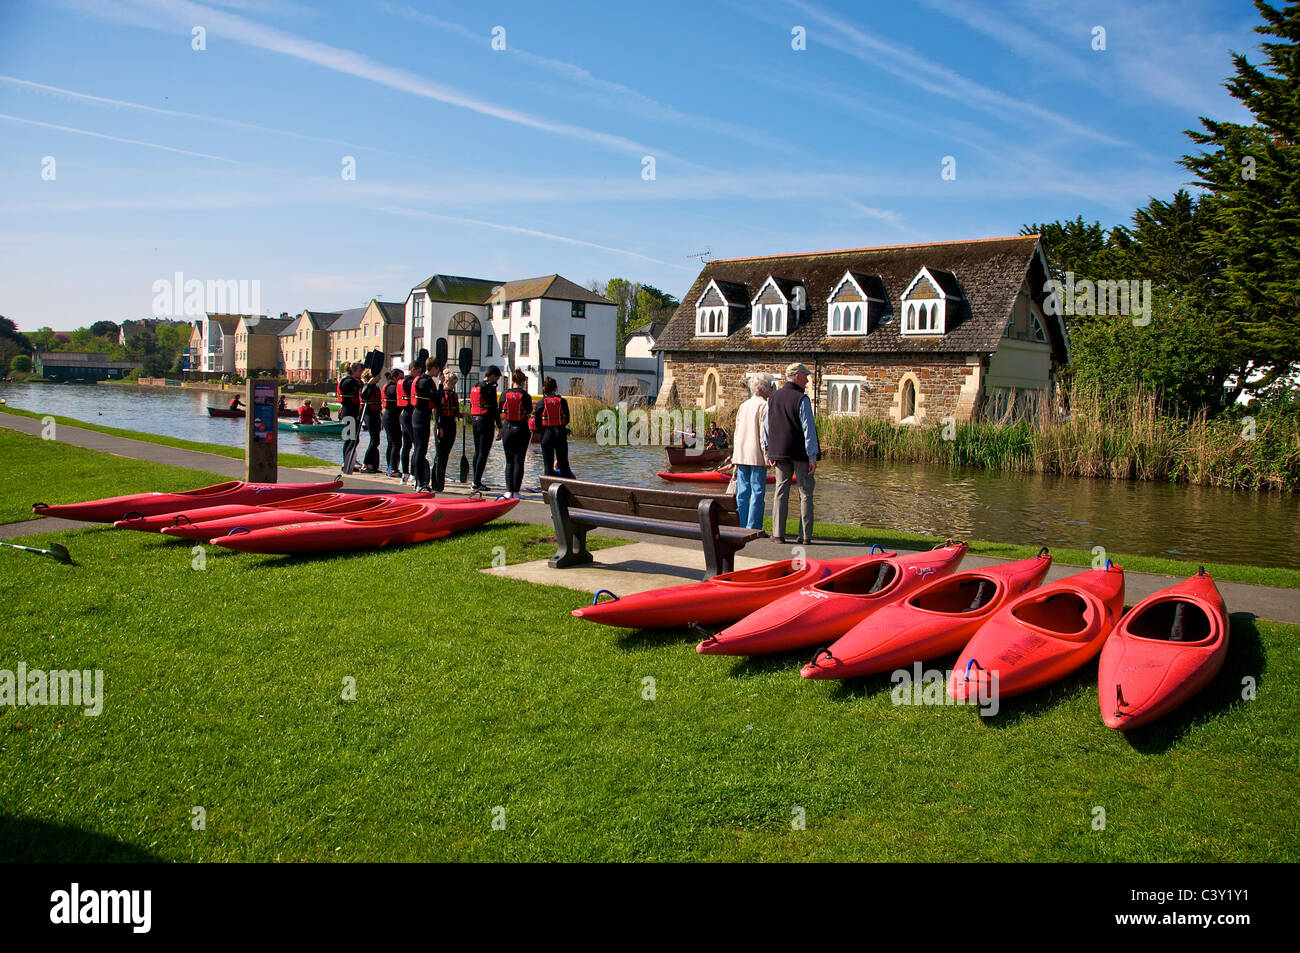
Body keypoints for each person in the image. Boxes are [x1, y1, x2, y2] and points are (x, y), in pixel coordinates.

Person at [764, 362, 820, 545]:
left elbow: (767, 427)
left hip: (779, 452)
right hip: (800, 454)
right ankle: (805, 536)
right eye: (805, 376)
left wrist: (769, 451)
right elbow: (808, 430)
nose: (807, 379)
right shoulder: (801, 399)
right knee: (805, 493)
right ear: (797, 376)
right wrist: (812, 456)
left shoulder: (773, 397)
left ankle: (778, 534)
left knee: (780, 491)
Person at [732, 372, 774, 530]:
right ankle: (753, 527)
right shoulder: (764, 406)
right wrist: (767, 456)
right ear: (763, 388)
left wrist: (735, 455)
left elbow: (737, 433)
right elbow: (765, 435)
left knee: (742, 493)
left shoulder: (744, 406)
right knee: (757, 492)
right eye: (770, 386)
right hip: (756, 455)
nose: (772, 389)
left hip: (741, 454)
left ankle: (741, 525)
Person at [498, 368, 533, 498]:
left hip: (507, 428)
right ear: (523, 382)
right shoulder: (525, 396)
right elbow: (529, 410)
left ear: (512, 381)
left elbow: (500, 408)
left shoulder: (504, 394)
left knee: (509, 461)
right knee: (519, 461)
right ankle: (516, 491)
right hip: (521, 428)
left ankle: (508, 491)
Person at [468, 365, 503, 492]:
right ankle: (477, 482)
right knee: (483, 452)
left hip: (475, 420)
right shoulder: (489, 388)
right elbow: (494, 408)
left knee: (477, 451)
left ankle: (474, 480)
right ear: (493, 376)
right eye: (497, 379)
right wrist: (500, 426)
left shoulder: (476, 386)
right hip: (485, 421)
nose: (497, 382)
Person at [534, 377, 575, 479]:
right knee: (563, 463)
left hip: (547, 435)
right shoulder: (562, 401)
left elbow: (537, 423)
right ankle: (566, 487)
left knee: (548, 465)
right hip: (560, 433)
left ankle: (548, 488)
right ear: (555, 389)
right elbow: (567, 419)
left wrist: (543, 430)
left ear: (544, 389)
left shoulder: (540, 403)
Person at [408, 359, 434, 492]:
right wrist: (440, 387)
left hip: (422, 417)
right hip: (419, 417)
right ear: (433, 368)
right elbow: (433, 396)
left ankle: (420, 481)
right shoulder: (423, 381)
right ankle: (418, 481)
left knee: (422, 449)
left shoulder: (426, 380)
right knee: (419, 449)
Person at [434, 370, 462, 491]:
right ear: (446, 382)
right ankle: (436, 482)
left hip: (451, 425)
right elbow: (437, 412)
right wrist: (439, 427)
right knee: (440, 455)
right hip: (442, 425)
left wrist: (461, 415)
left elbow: (455, 411)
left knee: (446, 455)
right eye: (452, 384)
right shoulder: (440, 394)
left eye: (455, 384)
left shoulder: (453, 395)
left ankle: (441, 481)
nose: (453, 387)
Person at [337, 362, 362, 470]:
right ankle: (346, 461)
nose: (361, 373)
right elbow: (353, 389)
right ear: (354, 371)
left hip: (352, 412)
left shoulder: (353, 381)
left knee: (354, 438)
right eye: (360, 371)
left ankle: (350, 459)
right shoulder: (348, 382)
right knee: (350, 438)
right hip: (348, 412)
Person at [382, 369, 404, 478]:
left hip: (392, 417)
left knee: (392, 443)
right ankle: (393, 469)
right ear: (394, 377)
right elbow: (396, 392)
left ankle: (390, 467)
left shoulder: (392, 386)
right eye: (400, 378)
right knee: (396, 443)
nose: (402, 380)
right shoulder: (391, 387)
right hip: (390, 417)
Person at [359, 369, 382, 473]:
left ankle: (372, 464)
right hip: (369, 414)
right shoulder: (366, 386)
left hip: (376, 413)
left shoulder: (376, 388)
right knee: (374, 439)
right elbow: (363, 396)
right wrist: (368, 384)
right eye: (378, 376)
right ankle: (365, 464)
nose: (380, 378)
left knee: (376, 440)